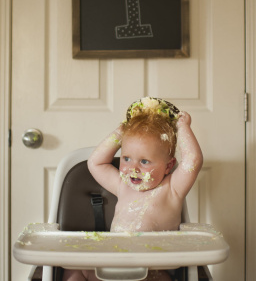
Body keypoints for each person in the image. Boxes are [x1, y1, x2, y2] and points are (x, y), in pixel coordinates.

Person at [63, 97, 203, 281]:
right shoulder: (123, 186)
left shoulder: (172, 189)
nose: (133, 168)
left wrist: (183, 127)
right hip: (113, 266)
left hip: (152, 271)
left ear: (169, 166)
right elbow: (95, 163)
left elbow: (192, 161)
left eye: (144, 161)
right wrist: (120, 133)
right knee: (74, 270)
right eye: (126, 158)